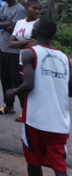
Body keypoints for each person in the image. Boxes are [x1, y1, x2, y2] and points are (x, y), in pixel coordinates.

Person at [6, 17, 71, 176]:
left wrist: (12, 93)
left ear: (38, 31)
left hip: (35, 119)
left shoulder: (29, 53)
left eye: (34, 26)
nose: (32, 28)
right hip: (60, 121)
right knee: (59, 165)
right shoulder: (66, 59)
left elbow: (29, 84)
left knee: (34, 161)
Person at [0, 0, 27, 115]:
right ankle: (9, 106)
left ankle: (25, 110)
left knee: (17, 81)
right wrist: (8, 24)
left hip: (14, 52)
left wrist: (6, 25)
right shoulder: (3, 7)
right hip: (4, 49)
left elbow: (16, 28)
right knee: (5, 79)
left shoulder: (20, 9)